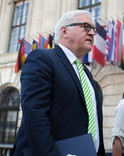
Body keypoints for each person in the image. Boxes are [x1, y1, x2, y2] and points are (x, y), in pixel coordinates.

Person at [11, 10, 105, 156]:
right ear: (65, 31)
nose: (92, 33)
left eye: (94, 29)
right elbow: (35, 115)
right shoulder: (42, 58)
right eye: (86, 27)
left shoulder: (85, 73)